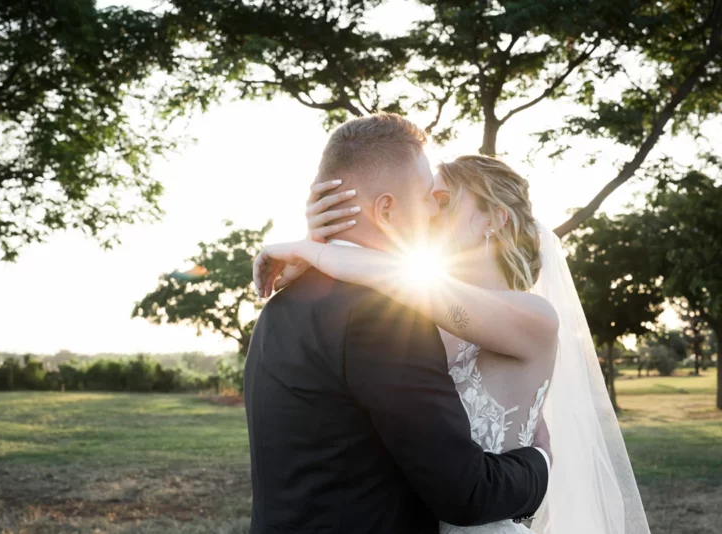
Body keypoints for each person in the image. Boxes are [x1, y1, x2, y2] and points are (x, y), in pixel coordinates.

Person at [253, 134, 651, 533]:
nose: (430, 212)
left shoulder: (533, 316)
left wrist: (321, 252)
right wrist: (324, 246)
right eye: (429, 199)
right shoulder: (408, 316)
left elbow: (418, 290)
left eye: (443, 201)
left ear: (495, 219)